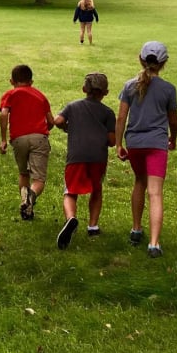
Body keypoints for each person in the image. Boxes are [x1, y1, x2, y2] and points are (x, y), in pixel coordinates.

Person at [116, 41, 177, 258]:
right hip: (156, 144)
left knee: (139, 182)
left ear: (140, 59)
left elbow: (121, 117)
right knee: (155, 192)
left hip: (134, 143)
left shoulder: (129, 86)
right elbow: (173, 120)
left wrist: (118, 144)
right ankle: (154, 244)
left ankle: (136, 229)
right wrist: (173, 138)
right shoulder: (168, 89)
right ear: (164, 63)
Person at [53, 72, 116, 249]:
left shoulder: (73, 106)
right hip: (98, 157)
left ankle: (71, 218)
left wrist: (67, 127)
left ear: (84, 89)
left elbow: (57, 120)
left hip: (76, 156)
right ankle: (93, 226)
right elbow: (112, 140)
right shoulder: (108, 113)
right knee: (96, 190)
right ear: (106, 92)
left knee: (70, 191)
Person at [0, 64, 53, 220]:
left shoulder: (10, 94)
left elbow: (4, 114)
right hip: (39, 138)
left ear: (11, 81)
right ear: (31, 81)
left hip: (18, 139)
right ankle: (31, 196)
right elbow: (51, 121)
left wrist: (3, 139)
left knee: (23, 173)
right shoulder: (40, 96)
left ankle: (26, 207)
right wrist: (44, 130)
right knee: (39, 179)